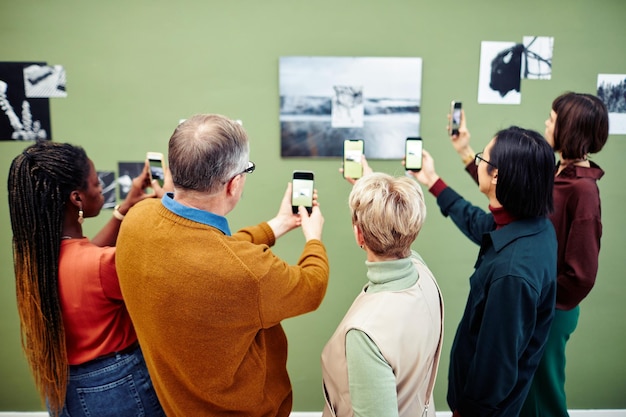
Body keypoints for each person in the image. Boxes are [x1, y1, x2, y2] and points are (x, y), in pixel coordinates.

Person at [114, 113, 330, 417]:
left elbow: (216, 253)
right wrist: (314, 237)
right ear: (234, 184)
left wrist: (277, 225)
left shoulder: (137, 220)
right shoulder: (247, 273)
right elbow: (312, 287)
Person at [448, 93, 609, 417]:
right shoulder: (554, 174)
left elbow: (582, 275)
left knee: (541, 398)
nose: (547, 123)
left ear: (570, 129)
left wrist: (537, 301)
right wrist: (466, 154)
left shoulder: (582, 191)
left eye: (553, 119)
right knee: (520, 392)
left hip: (545, 302)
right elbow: (506, 190)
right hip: (532, 293)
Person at [7, 140, 166, 417]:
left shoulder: (37, 262)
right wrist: (170, 204)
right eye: (95, 183)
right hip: (116, 388)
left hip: (61, 388)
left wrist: (124, 209)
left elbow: (87, 260)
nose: (101, 188)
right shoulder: (103, 266)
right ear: (77, 198)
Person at [409, 126, 557, 416]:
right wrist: (432, 181)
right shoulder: (535, 226)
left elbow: (495, 366)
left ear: (497, 175)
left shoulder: (511, 276)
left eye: (482, 159)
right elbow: (478, 222)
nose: (476, 163)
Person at [320, 170, 444, 417]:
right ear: (413, 228)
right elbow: (399, 230)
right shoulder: (422, 274)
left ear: (359, 236)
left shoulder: (365, 334)